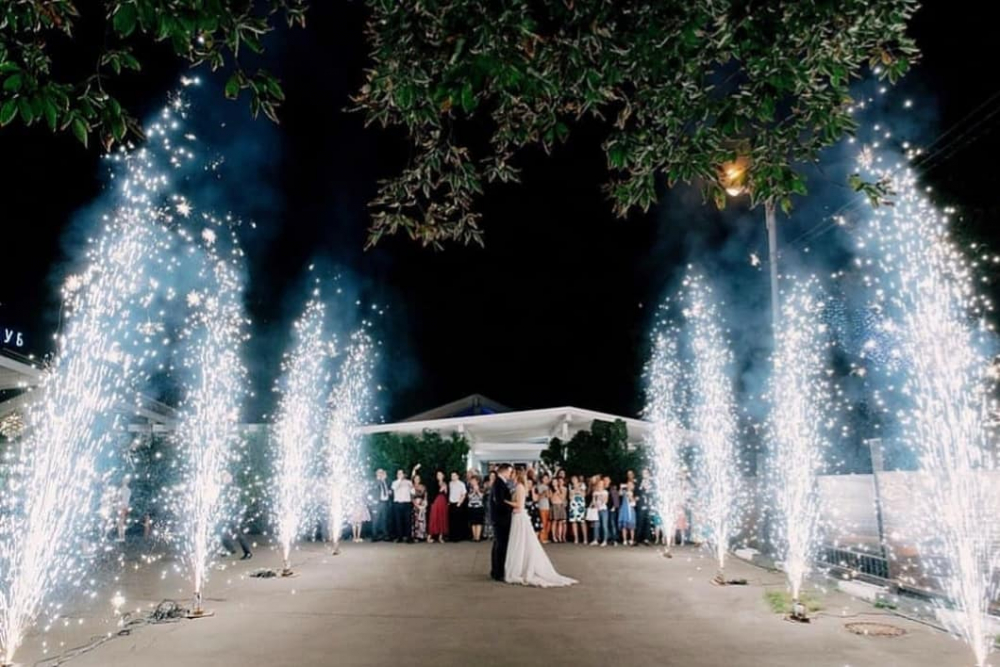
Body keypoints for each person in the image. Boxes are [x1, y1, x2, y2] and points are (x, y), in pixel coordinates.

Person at [504, 468, 577, 588]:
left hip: (519, 516)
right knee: (520, 541)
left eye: (512, 473)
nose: (510, 475)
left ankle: (520, 567)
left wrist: (505, 502)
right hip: (518, 516)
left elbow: (519, 505)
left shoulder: (519, 487)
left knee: (520, 541)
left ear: (517, 475)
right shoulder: (519, 486)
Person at [490, 464, 514, 581]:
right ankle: (498, 572)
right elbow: (500, 502)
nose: (510, 474)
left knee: (498, 544)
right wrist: (511, 508)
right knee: (501, 545)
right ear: (504, 471)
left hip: (499, 518)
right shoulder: (499, 483)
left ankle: (496, 570)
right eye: (510, 472)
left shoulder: (499, 483)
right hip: (501, 519)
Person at [391, 467, 415, 543]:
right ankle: (399, 537)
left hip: (407, 503)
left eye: (401, 473)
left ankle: (409, 538)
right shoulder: (394, 482)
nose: (400, 474)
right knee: (398, 521)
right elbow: (394, 488)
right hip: (397, 503)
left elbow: (413, 492)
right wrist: (400, 480)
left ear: (404, 474)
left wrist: (412, 487)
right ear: (397, 475)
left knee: (408, 521)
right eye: (399, 473)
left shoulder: (408, 482)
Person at [428, 471, 449, 543]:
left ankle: (440, 537)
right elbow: (433, 493)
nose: (439, 476)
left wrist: (445, 490)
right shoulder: (434, 483)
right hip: (436, 501)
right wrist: (440, 489)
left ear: (443, 475)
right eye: (438, 475)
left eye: (440, 474)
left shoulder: (445, 483)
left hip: (443, 501)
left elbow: (446, 494)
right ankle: (429, 536)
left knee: (442, 518)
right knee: (434, 518)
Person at [371, 469, 391, 542]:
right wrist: (380, 479)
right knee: (376, 520)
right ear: (376, 473)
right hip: (377, 503)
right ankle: (374, 536)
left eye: (382, 472)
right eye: (379, 472)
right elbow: (374, 488)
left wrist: (389, 492)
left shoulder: (385, 481)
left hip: (384, 502)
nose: (381, 474)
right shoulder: (375, 481)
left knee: (384, 519)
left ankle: (385, 535)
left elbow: (388, 488)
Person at [448, 471, 467, 541]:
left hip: (458, 503)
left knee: (458, 521)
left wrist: (459, 503)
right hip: (451, 503)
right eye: (451, 476)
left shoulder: (461, 484)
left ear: (457, 476)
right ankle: (452, 536)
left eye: (454, 475)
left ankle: (458, 537)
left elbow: (464, 494)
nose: (452, 477)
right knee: (452, 520)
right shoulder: (450, 483)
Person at [568, 476, 588, 545]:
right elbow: (570, 497)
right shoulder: (570, 486)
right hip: (573, 506)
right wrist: (576, 491)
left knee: (582, 522)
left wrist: (576, 491)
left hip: (580, 505)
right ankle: (576, 538)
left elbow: (583, 494)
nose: (573, 480)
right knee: (574, 522)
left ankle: (585, 539)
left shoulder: (582, 485)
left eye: (575, 479)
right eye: (572, 479)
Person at [590, 478, 609, 547]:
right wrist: (594, 504)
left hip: (603, 510)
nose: (600, 485)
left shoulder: (605, 492)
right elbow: (593, 501)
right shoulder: (595, 492)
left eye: (601, 484)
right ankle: (595, 540)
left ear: (603, 485)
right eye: (599, 483)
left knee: (604, 525)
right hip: (596, 510)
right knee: (596, 525)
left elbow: (605, 501)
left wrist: (600, 496)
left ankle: (605, 540)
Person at [467, 476, 486, 542]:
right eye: (472, 481)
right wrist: (474, 492)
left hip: (479, 507)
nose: (472, 482)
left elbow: (482, 497)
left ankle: (478, 537)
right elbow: (469, 497)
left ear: (477, 481)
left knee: (479, 522)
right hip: (471, 507)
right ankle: (474, 537)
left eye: (474, 480)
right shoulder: (469, 488)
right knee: (473, 523)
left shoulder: (481, 488)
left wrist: (477, 491)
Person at [618, 480, 637, 545]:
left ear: (633, 486)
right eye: (628, 484)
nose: (629, 485)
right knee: (624, 526)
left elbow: (634, 503)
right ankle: (625, 540)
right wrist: (621, 488)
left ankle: (631, 539)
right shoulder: (624, 492)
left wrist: (631, 497)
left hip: (631, 510)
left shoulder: (634, 493)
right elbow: (619, 494)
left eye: (630, 485)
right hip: (624, 510)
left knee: (631, 527)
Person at [535, 473, 552, 543]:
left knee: (548, 522)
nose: (546, 480)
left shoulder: (548, 487)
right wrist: (544, 493)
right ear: (542, 479)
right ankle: (541, 538)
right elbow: (538, 497)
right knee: (543, 522)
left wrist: (548, 492)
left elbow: (549, 497)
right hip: (541, 506)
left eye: (547, 479)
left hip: (547, 506)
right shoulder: (540, 487)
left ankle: (545, 537)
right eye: (544, 478)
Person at [550, 478, 567, 543]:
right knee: (554, 521)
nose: (554, 483)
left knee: (560, 522)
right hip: (554, 505)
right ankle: (553, 536)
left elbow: (563, 498)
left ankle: (559, 536)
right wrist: (555, 492)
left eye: (555, 482)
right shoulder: (550, 490)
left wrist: (558, 491)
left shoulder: (562, 489)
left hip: (561, 505)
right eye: (553, 482)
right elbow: (551, 499)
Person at [412, 473, 428, 541]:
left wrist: (425, 504)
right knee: (415, 520)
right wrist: (417, 505)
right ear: (414, 479)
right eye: (416, 478)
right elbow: (412, 498)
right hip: (415, 506)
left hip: (422, 505)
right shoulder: (412, 487)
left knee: (422, 520)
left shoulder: (423, 486)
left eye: (418, 478)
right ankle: (415, 536)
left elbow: (425, 495)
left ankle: (421, 535)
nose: (417, 480)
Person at [116, 476, 132, 543]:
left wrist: (118, 506)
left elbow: (119, 499)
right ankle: (122, 537)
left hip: (121, 507)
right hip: (125, 507)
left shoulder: (122, 490)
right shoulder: (128, 490)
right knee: (122, 522)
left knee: (120, 523)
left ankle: (121, 537)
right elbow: (126, 500)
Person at [484, 469, 497, 540]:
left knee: (494, 518)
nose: (492, 477)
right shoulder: (487, 483)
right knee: (487, 517)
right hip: (487, 502)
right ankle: (487, 533)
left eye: (493, 476)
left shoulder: (497, 483)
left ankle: (493, 533)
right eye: (491, 475)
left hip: (495, 503)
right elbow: (484, 492)